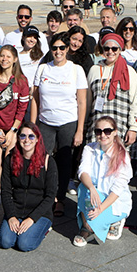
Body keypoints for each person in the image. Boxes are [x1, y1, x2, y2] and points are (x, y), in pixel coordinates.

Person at [31, 32, 87, 216]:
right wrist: (32, 126)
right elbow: (35, 99)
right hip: (46, 122)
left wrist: (79, 130)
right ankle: (44, 196)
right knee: (42, 160)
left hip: (68, 122)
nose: (58, 51)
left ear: (67, 49)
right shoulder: (43, 69)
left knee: (64, 163)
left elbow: (82, 102)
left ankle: (60, 199)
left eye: (62, 48)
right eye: (54, 48)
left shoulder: (76, 69)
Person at [73, 116, 134, 246]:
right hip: (94, 196)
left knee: (95, 217)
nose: (102, 135)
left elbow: (118, 189)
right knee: (84, 188)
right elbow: (83, 172)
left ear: (115, 132)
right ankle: (87, 227)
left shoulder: (122, 155)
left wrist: (101, 209)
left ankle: (114, 221)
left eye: (107, 131)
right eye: (98, 131)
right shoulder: (89, 149)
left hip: (113, 200)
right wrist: (92, 188)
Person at [0, 122, 56, 251]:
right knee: (6, 242)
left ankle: (44, 229)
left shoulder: (48, 161)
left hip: (39, 213)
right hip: (16, 209)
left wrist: (32, 219)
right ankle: (20, 227)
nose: (27, 140)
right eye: (23, 136)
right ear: (18, 138)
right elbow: (6, 191)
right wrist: (11, 216)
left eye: (31, 136)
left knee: (24, 244)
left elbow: (50, 196)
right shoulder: (10, 159)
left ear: (37, 139)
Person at [87, 34, 137, 146]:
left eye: (114, 48)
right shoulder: (94, 70)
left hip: (120, 126)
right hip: (97, 127)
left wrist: (133, 128)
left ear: (120, 50)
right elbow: (88, 102)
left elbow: (136, 101)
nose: (110, 52)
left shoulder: (129, 71)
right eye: (107, 48)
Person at [0, 45, 31, 160]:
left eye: (8, 56)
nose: (4, 59)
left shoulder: (21, 81)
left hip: (13, 128)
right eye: (2, 56)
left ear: (15, 59)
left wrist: (13, 131)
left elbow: (22, 109)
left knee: (11, 161)